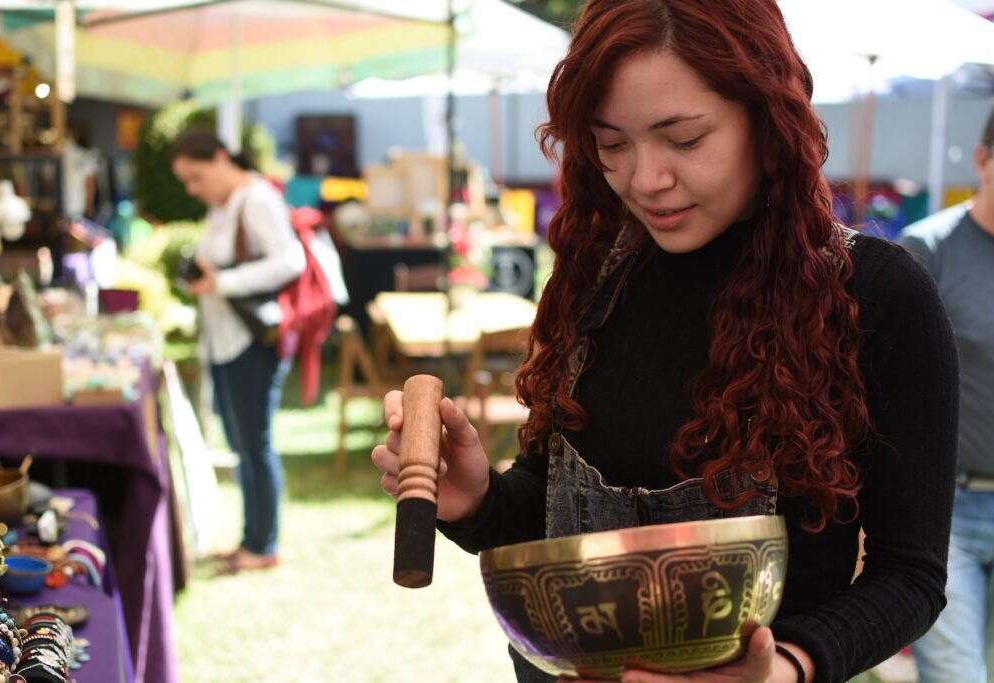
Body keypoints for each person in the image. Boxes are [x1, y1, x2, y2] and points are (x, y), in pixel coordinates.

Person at [371, 1, 961, 682]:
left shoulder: (875, 295)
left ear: (768, 118)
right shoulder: (595, 276)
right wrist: (477, 500)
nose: (646, 180)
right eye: (612, 143)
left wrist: (788, 664)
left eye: (683, 139)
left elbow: (911, 575)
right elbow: (559, 520)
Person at [169, 128, 305, 573]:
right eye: (186, 182)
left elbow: (290, 261)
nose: (193, 189)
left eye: (196, 176)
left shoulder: (257, 199)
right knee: (243, 445)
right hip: (225, 341)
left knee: (254, 444)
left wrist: (224, 282)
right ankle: (252, 539)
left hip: (251, 342)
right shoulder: (223, 205)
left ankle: (263, 545)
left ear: (221, 158)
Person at [898, 104, 994, 683]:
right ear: (982, 160)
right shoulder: (927, 250)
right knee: (958, 676)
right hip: (947, 511)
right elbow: (884, 386)